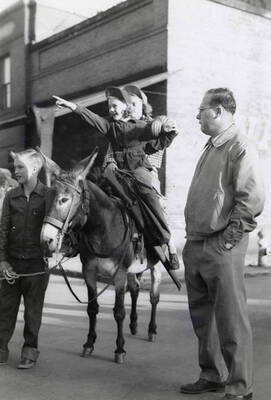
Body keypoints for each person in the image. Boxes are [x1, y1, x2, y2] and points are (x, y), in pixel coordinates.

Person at [180, 88, 265, 400]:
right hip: (196, 244)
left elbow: (251, 200)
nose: (197, 115)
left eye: (201, 109)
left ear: (216, 111)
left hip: (220, 246)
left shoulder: (239, 146)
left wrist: (226, 243)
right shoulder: (211, 146)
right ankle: (212, 374)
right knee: (203, 319)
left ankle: (240, 387)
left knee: (231, 319)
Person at [53, 88, 179, 270]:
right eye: (109, 106)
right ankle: (76, 243)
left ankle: (166, 242)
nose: (111, 109)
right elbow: (92, 117)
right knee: (92, 199)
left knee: (149, 197)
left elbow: (154, 131)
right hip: (117, 176)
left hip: (138, 173)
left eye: (114, 106)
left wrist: (167, 129)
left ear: (126, 107)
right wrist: (73, 106)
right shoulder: (110, 127)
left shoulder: (138, 126)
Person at [0, 149, 51, 369]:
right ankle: (1, 349)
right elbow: (2, 230)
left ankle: (30, 351)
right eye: (15, 166)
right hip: (12, 263)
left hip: (36, 264)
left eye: (20, 166)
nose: (15, 170)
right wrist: (2, 260)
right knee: (5, 309)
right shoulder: (11, 196)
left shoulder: (49, 195)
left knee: (33, 312)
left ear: (36, 168)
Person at [122, 84, 180, 269]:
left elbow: (164, 133)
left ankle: (170, 246)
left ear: (142, 106)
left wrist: (164, 124)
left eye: (134, 103)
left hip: (147, 172)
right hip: (124, 174)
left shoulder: (152, 125)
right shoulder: (121, 127)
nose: (130, 107)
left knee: (155, 203)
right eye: (127, 103)